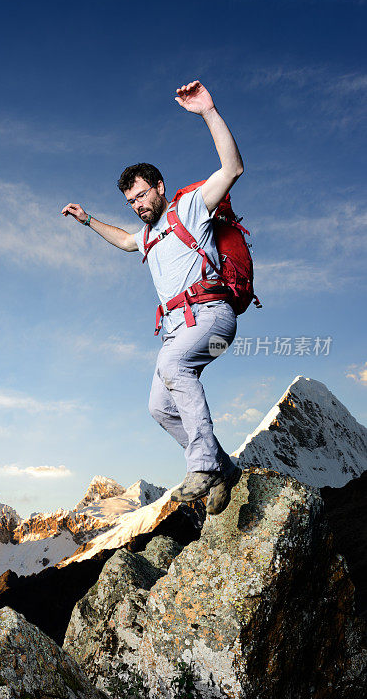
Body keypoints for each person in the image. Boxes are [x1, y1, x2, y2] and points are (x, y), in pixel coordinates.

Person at [61, 81, 243, 515]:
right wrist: (87, 221)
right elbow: (125, 241)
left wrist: (208, 112)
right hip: (179, 328)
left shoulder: (190, 208)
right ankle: (224, 469)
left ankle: (201, 466)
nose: (138, 205)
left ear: (159, 186)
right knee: (159, 407)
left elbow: (232, 168)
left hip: (214, 318)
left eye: (142, 194)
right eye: (131, 201)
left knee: (174, 365)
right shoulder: (145, 236)